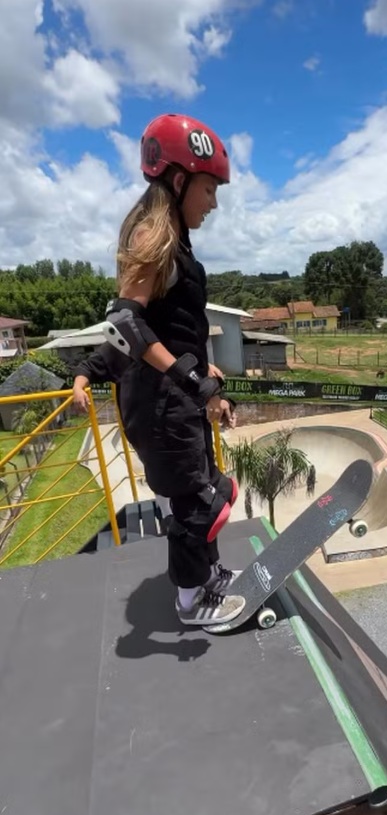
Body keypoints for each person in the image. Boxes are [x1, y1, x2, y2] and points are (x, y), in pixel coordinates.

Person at [101, 112, 245, 627]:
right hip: (161, 403)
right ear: (180, 180)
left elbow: (175, 326)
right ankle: (190, 601)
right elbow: (124, 324)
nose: (214, 203)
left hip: (179, 398)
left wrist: (205, 372)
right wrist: (190, 379)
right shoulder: (152, 236)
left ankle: (207, 575)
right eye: (209, 189)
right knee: (195, 502)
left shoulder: (176, 242)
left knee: (208, 487)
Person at [72, 342, 174, 530]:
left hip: (173, 417)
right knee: (155, 469)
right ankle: (167, 513)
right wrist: (78, 387)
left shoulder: (166, 339)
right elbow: (88, 367)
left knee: (179, 466)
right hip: (141, 425)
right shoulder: (119, 347)